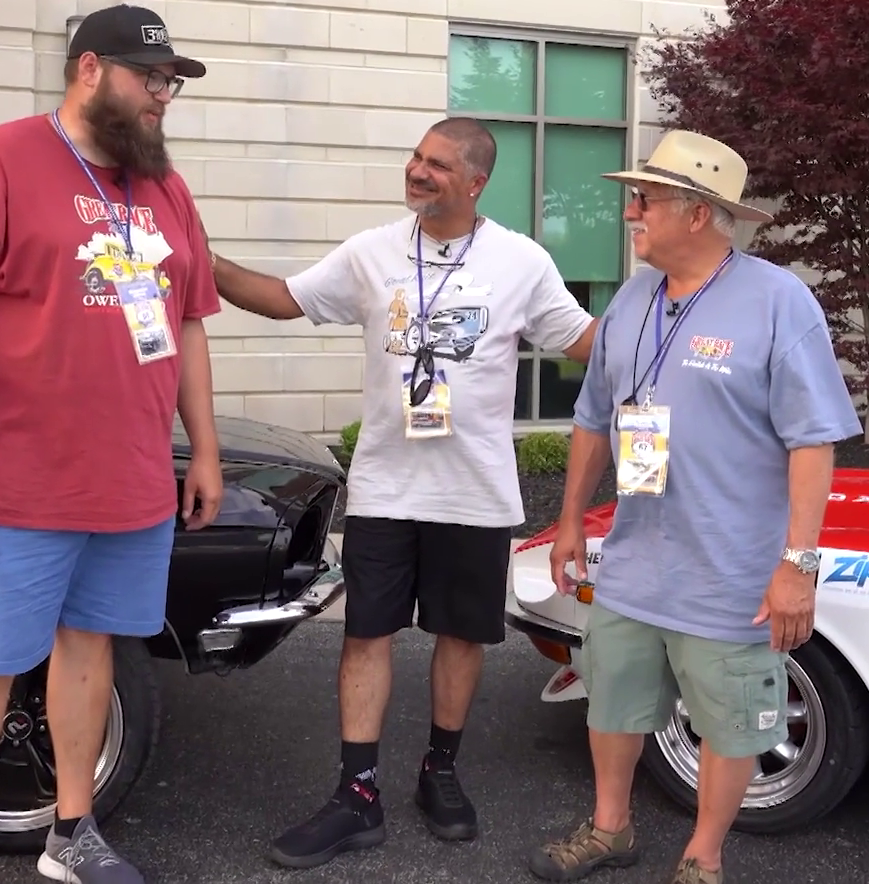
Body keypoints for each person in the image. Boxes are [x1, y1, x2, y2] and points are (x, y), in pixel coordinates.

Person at [0, 4, 225, 884]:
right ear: (88, 70)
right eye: (149, 77)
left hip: (133, 480)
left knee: (91, 649)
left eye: (172, 82)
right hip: (19, 481)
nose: (163, 95)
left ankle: (71, 832)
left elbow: (187, 324)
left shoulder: (166, 190)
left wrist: (204, 450)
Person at [210, 116, 598, 869]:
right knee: (366, 635)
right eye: (417, 157)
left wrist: (676, 322)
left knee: (461, 636)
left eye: (438, 165)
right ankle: (356, 795)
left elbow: (586, 340)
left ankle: (439, 772)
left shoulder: (521, 261)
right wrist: (204, 260)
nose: (418, 171)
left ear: (476, 182)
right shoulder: (372, 252)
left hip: (475, 492)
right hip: (386, 487)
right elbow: (283, 298)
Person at [529, 131, 861, 884]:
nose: (631, 213)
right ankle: (611, 829)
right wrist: (573, 517)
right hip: (635, 562)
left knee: (728, 722)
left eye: (644, 200)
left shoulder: (778, 301)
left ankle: (702, 858)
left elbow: (813, 442)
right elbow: (593, 417)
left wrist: (798, 564)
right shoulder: (633, 297)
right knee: (612, 700)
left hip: (731, 574)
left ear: (699, 213)